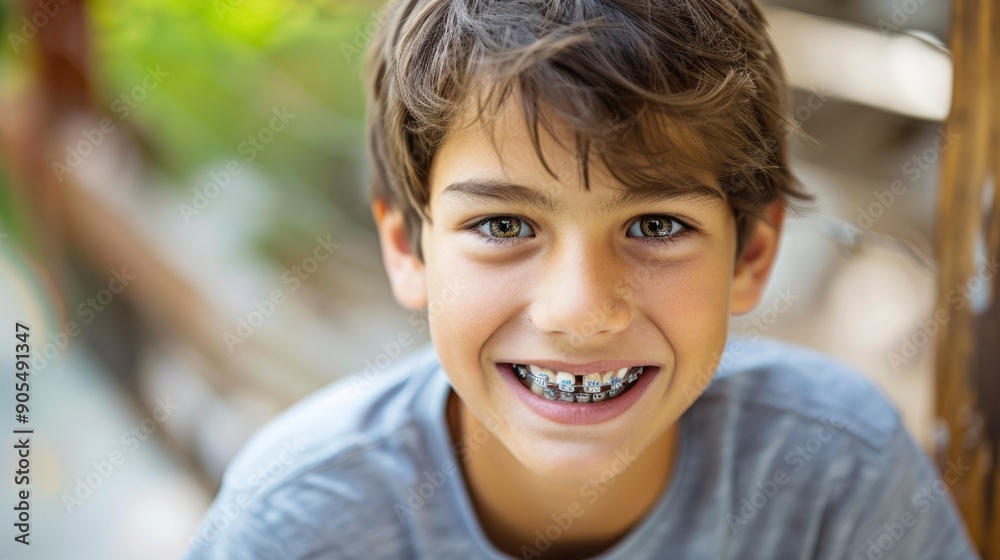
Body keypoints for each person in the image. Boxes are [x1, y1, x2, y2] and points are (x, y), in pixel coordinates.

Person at [185, 0, 978, 558]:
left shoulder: (835, 474)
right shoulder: (297, 523)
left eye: (656, 227)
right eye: (503, 226)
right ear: (408, 249)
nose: (581, 311)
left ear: (752, 255)